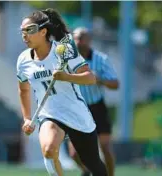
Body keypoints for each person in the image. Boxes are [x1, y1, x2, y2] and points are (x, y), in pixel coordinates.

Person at [17, 8, 107, 176]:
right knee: (49, 151)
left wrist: (66, 77)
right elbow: (23, 89)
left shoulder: (64, 50)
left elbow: (90, 78)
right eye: (22, 31)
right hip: (49, 114)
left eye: (29, 30)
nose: (24, 35)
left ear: (43, 31)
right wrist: (27, 118)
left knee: (93, 164)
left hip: (76, 113)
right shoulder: (23, 60)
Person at [68, 27, 119, 176]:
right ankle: (87, 171)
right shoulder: (69, 60)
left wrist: (99, 80)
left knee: (105, 147)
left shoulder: (100, 59)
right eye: (75, 38)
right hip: (78, 109)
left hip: (97, 106)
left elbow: (115, 84)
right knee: (74, 153)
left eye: (81, 38)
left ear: (88, 40)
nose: (77, 41)